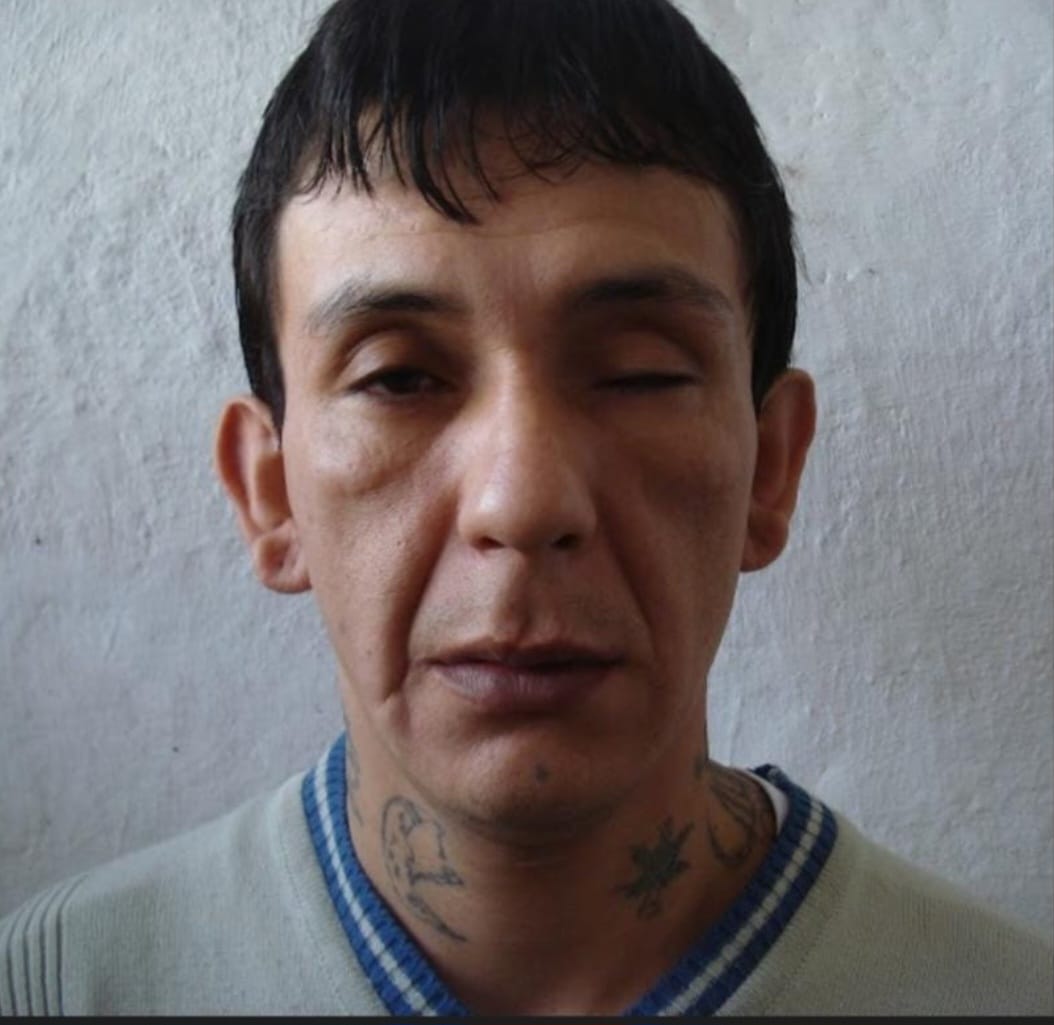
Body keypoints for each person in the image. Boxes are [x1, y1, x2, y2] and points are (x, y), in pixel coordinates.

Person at [2, 0, 1050, 1016]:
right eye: (398, 378)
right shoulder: (59, 985)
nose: (522, 499)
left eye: (639, 373)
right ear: (269, 491)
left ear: (769, 468)